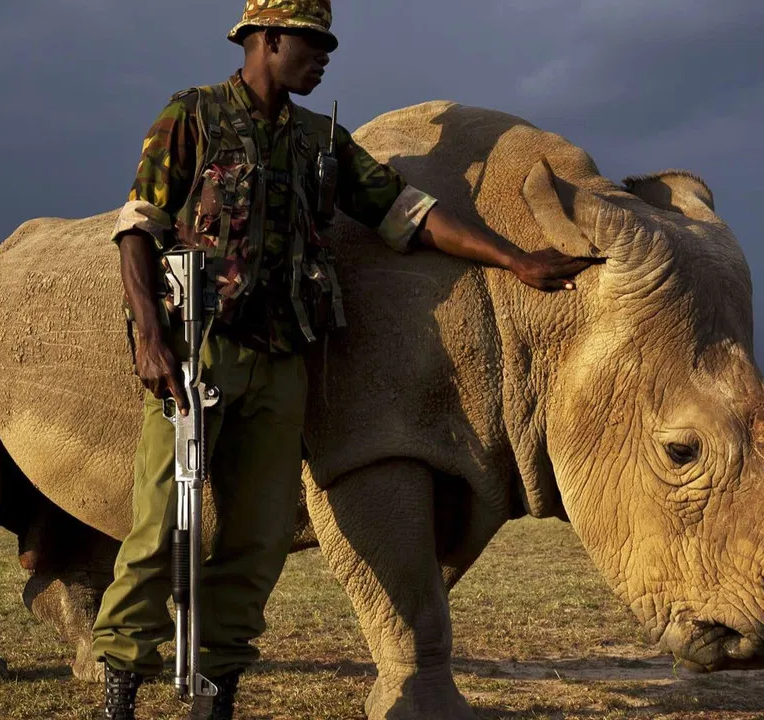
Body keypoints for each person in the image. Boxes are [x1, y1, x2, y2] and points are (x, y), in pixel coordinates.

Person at [94, 1, 601, 718]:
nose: (325, 57)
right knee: (162, 527)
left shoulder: (321, 141)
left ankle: (217, 692)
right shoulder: (194, 115)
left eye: (329, 46)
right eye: (313, 43)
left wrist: (515, 259)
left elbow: (407, 214)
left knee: (259, 540)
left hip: (284, 362)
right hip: (199, 350)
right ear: (268, 39)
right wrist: (150, 337)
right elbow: (138, 229)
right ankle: (121, 686)